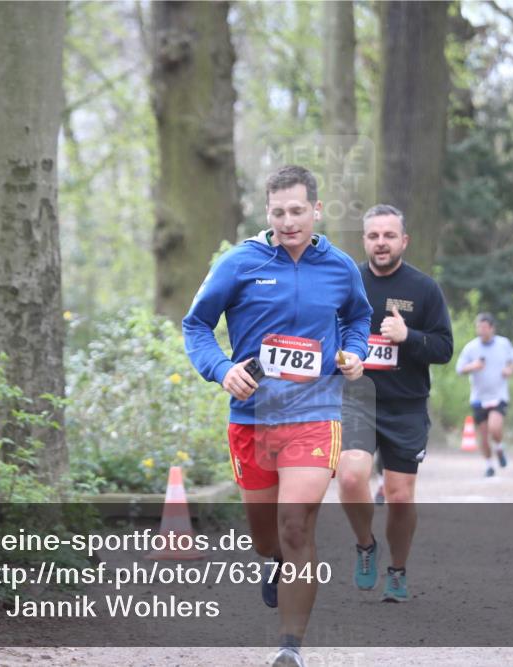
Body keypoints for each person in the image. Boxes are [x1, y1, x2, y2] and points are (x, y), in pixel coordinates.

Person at [183, 165, 371, 667]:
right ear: (266, 213)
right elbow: (196, 325)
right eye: (279, 212)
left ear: (317, 210)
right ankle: (274, 562)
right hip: (251, 416)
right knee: (266, 536)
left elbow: (358, 316)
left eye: (298, 211)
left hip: (314, 412)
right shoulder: (239, 263)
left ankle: (290, 647)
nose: (289, 221)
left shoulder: (340, 267)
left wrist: (354, 352)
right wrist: (221, 370)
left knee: (296, 526)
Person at [337, 204, 453, 603]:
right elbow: (325, 334)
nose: (381, 243)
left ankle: (398, 569)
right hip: (357, 399)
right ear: (364, 240)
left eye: (389, 236)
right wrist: (342, 358)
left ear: (403, 240)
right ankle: (366, 545)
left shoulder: (424, 289)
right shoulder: (347, 282)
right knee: (351, 478)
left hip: (405, 405)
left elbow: (444, 348)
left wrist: (410, 336)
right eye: (373, 236)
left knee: (400, 496)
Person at [455, 313, 513, 477]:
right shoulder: (471, 347)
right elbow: (459, 368)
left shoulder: (503, 344)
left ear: (492, 328)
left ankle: (499, 447)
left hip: (498, 395)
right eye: (478, 327)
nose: (481, 331)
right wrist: (473, 366)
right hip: (478, 397)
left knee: (494, 427)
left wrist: (509, 369)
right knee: (483, 435)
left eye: (484, 327)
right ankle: (489, 465)